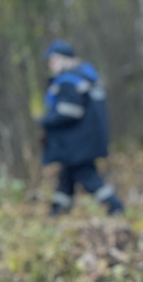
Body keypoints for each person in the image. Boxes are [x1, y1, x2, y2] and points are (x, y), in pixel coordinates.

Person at [39, 39, 124, 216]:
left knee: (88, 177)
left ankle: (116, 207)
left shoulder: (69, 80)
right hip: (86, 141)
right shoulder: (86, 75)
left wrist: (45, 120)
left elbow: (70, 111)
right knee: (66, 178)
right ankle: (57, 211)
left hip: (78, 144)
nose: (50, 64)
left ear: (64, 59)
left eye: (53, 60)